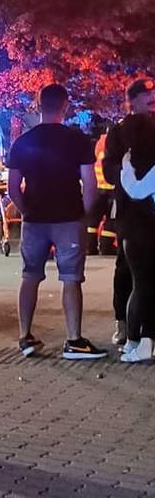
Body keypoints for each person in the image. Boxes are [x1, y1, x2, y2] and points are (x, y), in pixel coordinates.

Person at [6, 83, 106, 359]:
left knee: (30, 276)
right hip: (68, 218)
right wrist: (83, 213)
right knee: (71, 278)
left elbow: (13, 187)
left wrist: (26, 210)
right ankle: (74, 340)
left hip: (34, 219)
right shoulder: (77, 140)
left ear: (38, 105)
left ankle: (25, 336)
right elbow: (90, 184)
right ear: (65, 106)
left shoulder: (23, 142)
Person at [101, 79, 155, 347]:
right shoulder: (118, 132)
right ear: (131, 100)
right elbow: (109, 169)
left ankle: (146, 332)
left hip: (151, 208)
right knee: (125, 267)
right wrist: (129, 176)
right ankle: (122, 323)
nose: (151, 99)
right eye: (146, 95)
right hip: (129, 209)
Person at [114, 112, 155, 361]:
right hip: (146, 230)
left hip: (137, 232)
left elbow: (136, 190)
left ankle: (136, 341)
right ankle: (141, 341)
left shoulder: (132, 160)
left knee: (140, 286)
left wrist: (125, 168)